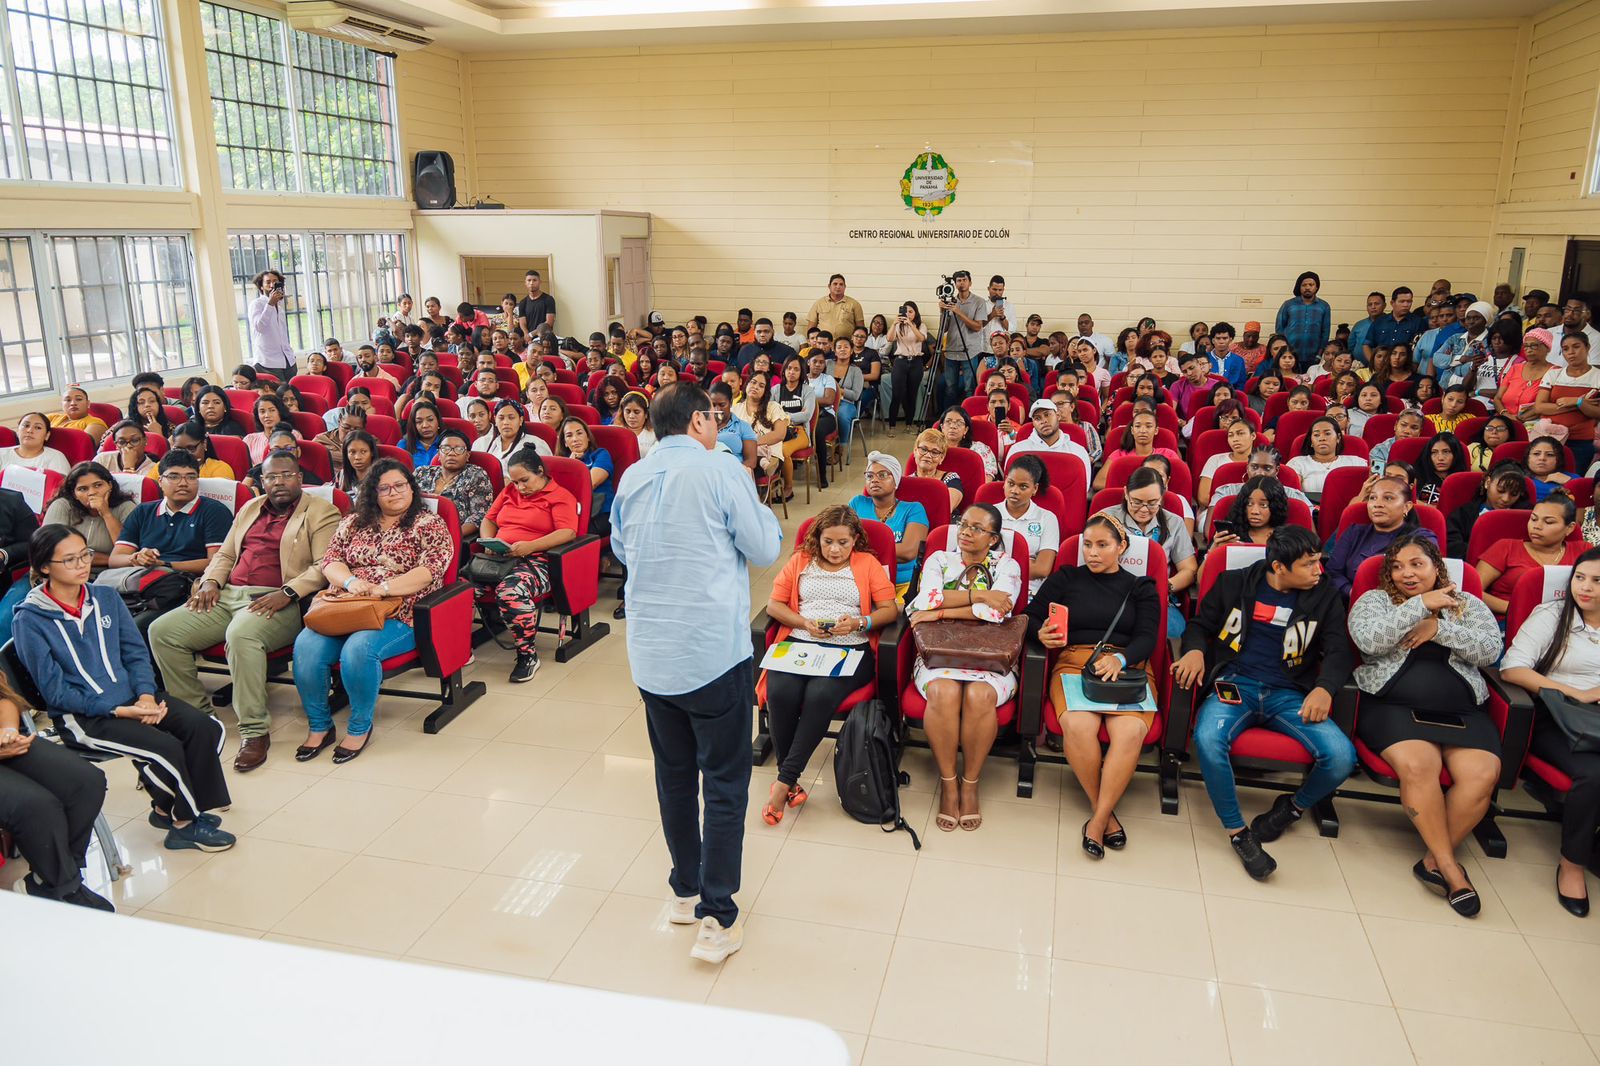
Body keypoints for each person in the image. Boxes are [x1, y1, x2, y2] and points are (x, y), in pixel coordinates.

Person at [610, 382, 782, 963]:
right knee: (726, 784)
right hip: (711, 654)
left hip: (652, 656)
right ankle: (718, 915)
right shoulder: (719, 470)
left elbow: (623, 550)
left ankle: (684, 889)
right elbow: (762, 548)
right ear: (701, 422)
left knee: (675, 776)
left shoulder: (633, 476)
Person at [15, 525, 235, 852]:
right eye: (70, 560)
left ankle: (166, 808)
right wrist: (119, 710)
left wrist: (146, 695)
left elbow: (134, 652)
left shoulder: (105, 597)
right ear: (44, 567)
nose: (82, 565)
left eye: (85, 555)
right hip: (86, 717)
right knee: (167, 748)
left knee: (205, 728)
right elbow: (55, 693)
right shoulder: (30, 619)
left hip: (134, 698)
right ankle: (184, 825)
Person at [1172, 525, 1356, 879]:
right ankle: (1237, 832)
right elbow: (1199, 625)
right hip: (1235, 685)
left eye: (1319, 562)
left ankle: (1291, 808)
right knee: (1208, 740)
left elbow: (1337, 650)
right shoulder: (1234, 583)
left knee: (1341, 757)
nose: (1319, 571)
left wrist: (1326, 688)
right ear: (1278, 567)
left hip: (1289, 693)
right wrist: (1194, 650)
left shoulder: (1325, 595)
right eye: (1309, 564)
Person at [148, 452, 339, 772]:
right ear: (262, 481)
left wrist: (288, 592)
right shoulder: (250, 508)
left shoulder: (321, 512)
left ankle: (254, 731)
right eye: (271, 477)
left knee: (241, 635)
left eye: (286, 475)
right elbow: (224, 554)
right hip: (227, 595)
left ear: (299, 477)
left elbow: (324, 566)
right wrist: (210, 582)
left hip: (279, 599)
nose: (279, 482)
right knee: (162, 631)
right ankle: (199, 719)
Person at [1348, 535, 1503, 916]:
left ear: (1437, 567)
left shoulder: (1469, 604)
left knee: (1483, 774)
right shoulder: (1376, 601)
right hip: (1394, 706)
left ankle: (1432, 858)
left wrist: (1440, 628)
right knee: (1421, 767)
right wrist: (1420, 606)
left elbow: (1490, 650)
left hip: (1463, 712)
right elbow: (1369, 641)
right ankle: (1450, 868)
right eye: (1397, 566)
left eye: (1417, 564)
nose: (1407, 573)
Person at [292, 460, 451, 764]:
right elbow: (331, 561)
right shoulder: (354, 522)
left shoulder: (428, 523)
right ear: (372, 494)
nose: (394, 493)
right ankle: (319, 726)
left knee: (358, 650)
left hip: (399, 610)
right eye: (385, 488)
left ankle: (359, 726)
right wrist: (351, 582)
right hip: (349, 604)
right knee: (306, 646)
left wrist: (385, 588)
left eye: (400, 485)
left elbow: (431, 570)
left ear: (411, 487)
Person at [1027, 511, 1160, 853]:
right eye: (1087, 545)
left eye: (1103, 545)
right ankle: (1105, 816)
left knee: (1129, 732)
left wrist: (1121, 658)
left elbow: (1148, 637)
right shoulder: (1067, 577)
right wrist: (1040, 632)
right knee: (1078, 725)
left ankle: (1098, 820)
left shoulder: (1141, 587)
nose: (1093, 553)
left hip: (1127, 667)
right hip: (1074, 662)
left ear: (1122, 547)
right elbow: (1030, 616)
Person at [758, 505, 897, 824]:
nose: (835, 549)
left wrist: (861, 622)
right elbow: (775, 605)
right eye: (828, 542)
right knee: (780, 691)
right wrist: (804, 623)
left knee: (819, 695)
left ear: (855, 540)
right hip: (800, 640)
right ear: (817, 539)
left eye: (843, 543)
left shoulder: (868, 564)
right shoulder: (800, 561)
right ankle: (789, 779)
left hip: (851, 646)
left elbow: (890, 609)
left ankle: (783, 783)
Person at [908, 502, 1023, 833]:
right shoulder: (940, 559)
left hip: (990, 656)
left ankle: (970, 781)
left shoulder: (1007, 564)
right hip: (938, 653)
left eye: (977, 528)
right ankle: (948, 782)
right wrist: (979, 596)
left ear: (993, 539)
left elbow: (998, 612)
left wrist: (942, 611)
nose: (966, 533)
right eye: (963, 525)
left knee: (979, 696)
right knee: (942, 691)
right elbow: (925, 598)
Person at [1500, 547, 1600, 916]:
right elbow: (1513, 669)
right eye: (1580, 577)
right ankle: (1572, 864)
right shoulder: (1552, 615)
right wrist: (1575, 693)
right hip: (1556, 715)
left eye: (1597, 581)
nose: (1585, 588)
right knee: (1594, 775)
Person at [0, 668, 111, 910]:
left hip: (4, 743)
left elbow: (4, 697)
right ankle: (63, 888)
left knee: (86, 782)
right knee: (35, 805)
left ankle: (48, 881)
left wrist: (7, 731)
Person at [478, 447, 580, 683]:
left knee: (510, 593)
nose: (520, 487)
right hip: (500, 558)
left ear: (540, 472)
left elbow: (568, 531)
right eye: (515, 482)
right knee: (461, 590)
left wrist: (531, 546)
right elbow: (489, 519)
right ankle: (458, 653)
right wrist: (489, 541)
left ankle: (527, 655)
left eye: (525, 480)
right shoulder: (510, 491)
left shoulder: (559, 496)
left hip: (537, 561)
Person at [106, 450, 230, 636]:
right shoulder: (144, 511)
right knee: (103, 619)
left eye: (191, 477)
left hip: (184, 588)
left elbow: (217, 562)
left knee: (137, 626)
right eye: (174, 476)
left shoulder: (213, 511)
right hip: (143, 585)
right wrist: (137, 557)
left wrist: (166, 564)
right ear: (160, 481)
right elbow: (114, 560)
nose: (183, 483)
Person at [1099, 467, 1196, 636]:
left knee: (1174, 632)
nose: (1144, 509)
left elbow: (1189, 569)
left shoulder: (1174, 522)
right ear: (1126, 493)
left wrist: (1167, 586)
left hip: (1155, 596)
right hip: (1111, 594)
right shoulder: (1104, 520)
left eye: (1152, 503)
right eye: (1136, 502)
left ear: (1162, 497)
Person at [1476, 493, 1587, 616]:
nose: (1537, 526)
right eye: (1533, 519)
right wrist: (1517, 608)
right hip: (1509, 621)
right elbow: (1472, 590)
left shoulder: (1583, 551)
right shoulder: (1506, 547)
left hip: (1569, 622)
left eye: (1548, 522)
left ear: (1570, 528)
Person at [848, 453, 927, 601]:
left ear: (896, 481)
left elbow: (909, 552)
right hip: (861, 579)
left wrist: (860, 550)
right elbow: (841, 542)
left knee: (893, 615)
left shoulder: (913, 509)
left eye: (882, 475)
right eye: (869, 476)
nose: (875, 480)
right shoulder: (857, 504)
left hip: (902, 583)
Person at [41, 462, 134, 571]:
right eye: (83, 489)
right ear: (74, 494)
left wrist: (106, 514)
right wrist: (111, 560)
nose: (92, 492)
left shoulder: (126, 508)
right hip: (65, 573)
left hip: (111, 575)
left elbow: (128, 552)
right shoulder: (62, 506)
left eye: (98, 485)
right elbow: (52, 550)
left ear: (110, 485)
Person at [413, 428, 494, 541]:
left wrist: (450, 535)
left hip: (450, 536)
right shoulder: (421, 472)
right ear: (439, 455)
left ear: (467, 455)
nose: (451, 453)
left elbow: (480, 515)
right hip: (414, 530)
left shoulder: (475, 475)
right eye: (446, 448)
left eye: (459, 449)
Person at [998, 455, 1059, 599]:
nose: (1015, 491)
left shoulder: (1047, 518)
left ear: (1035, 489)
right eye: (1011, 483)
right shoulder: (989, 514)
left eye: (1023, 486)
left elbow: (1043, 569)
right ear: (1004, 482)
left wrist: (999, 565)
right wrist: (1028, 564)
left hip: (1030, 589)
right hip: (991, 585)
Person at [1446, 461, 1530, 558]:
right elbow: (1453, 547)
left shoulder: (1527, 517)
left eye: (1514, 494)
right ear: (1487, 483)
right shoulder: (1463, 514)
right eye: (1501, 491)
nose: (1505, 499)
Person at [1008, 398, 1094, 491]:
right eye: (1037, 418)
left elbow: (1082, 489)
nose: (1043, 421)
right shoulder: (1018, 450)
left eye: (1047, 415)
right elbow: (1011, 488)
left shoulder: (1078, 451)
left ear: (1058, 416)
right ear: (1033, 423)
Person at [936, 270, 988, 409]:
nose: (961, 283)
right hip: (951, 350)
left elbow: (978, 327)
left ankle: (970, 418)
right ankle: (947, 419)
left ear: (970, 282)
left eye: (964, 280)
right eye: (958, 281)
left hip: (969, 351)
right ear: (954, 284)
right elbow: (944, 328)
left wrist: (958, 312)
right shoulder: (950, 301)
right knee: (950, 388)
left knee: (969, 388)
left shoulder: (979, 302)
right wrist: (942, 312)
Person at [1094, 408, 1179, 492]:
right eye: (1138, 426)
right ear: (1132, 430)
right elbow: (1098, 483)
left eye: (1148, 426)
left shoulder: (1169, 455)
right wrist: (1135, 488)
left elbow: (1178, 483)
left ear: (1156, 430)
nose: (1142, 431)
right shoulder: (1118, 455)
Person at [557, 417, 615, 534]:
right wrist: (568, 464)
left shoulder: (600, 454)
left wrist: (573, 466)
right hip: (569, 513)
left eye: (579, 433)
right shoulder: (560, 462)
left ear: (588, 437)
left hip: (599, 514)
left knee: (565, 535)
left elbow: (590, 484)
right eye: (569, 435)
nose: (575, 439)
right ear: (565, 443)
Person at [474, 399, 550, 475]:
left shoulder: (537, 444)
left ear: (520, 420)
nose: (506, 422)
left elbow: (543, 476)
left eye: (511, 417)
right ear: (495, 420)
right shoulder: (481, 443)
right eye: (501, 418)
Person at [1210, 475, 1288, 548]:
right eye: (1249, 504)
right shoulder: (1230, 535)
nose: (1255, 511)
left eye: (1263, 505)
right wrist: (1215, 548)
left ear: (1275, 506)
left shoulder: (1286, 537)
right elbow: (1206, 563)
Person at [885, 302, 927, 431]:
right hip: (900, 361)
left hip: (916, 361)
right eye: (906, 311)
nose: (908, 314)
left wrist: (910, 324)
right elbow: (889, 338)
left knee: (912, 394)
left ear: (915, 313)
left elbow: (921, 338)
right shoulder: (898, 325)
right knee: (897, 394)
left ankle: (909, 424)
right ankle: (892, 425)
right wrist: (894, 323)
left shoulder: (921, 325)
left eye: (911, 311)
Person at [247, 269, 296, 378]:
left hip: (288, 360)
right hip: (268, 362)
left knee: (290, 394)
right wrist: (270, 304)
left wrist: (291, 354)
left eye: (275, 281)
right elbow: (259, 327)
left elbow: (282, 334)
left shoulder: (280, 307)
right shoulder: (256, 304)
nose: (272, 284)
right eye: (268, 282)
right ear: (261, 286)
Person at [1496, 327, 1554, 418]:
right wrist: (1505, 414)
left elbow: (1547, 404)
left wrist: (1520, 419)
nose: (1529, 350)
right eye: (1526, 346)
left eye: (1534, 345)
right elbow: (1497, 398)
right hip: (1504, 419)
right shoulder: (1515, 368)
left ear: (1547, 348)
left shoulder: (1554, 372)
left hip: (1533, 423)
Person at [910, 427, 962, 518]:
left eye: (934, 452)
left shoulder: (951, 478)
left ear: (941, 458)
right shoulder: (907, 481)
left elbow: (946, 507)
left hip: (942, 527)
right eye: (923, 449)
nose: (927, 455)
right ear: (915, 451)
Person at [0, 412, 69, 474]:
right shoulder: (2, 454)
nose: (30, 430)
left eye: (38, 427)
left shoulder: (56, 457)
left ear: (47, 435)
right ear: (17, 431)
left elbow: (62, 487)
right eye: (26, 425)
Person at [1367, 409, 1426, 474]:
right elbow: (1377, 478)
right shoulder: (1379, 451)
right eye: (1403, 425)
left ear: (1420, 432)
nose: (1407, 431)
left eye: (1414, 428)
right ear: (1395, 426)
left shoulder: (1427, 450)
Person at [399, 400, 444, 468]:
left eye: (430, 420)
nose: (425, 425)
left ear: (438, 421)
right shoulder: (404, 445)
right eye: (419, 422)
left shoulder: (448, 444)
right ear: (414, 425)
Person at [336, 429, 378, 493]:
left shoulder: (382, 478)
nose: (357, 457)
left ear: (372, 452)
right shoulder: (342, 475)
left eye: (363, 452)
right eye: (352, 452)